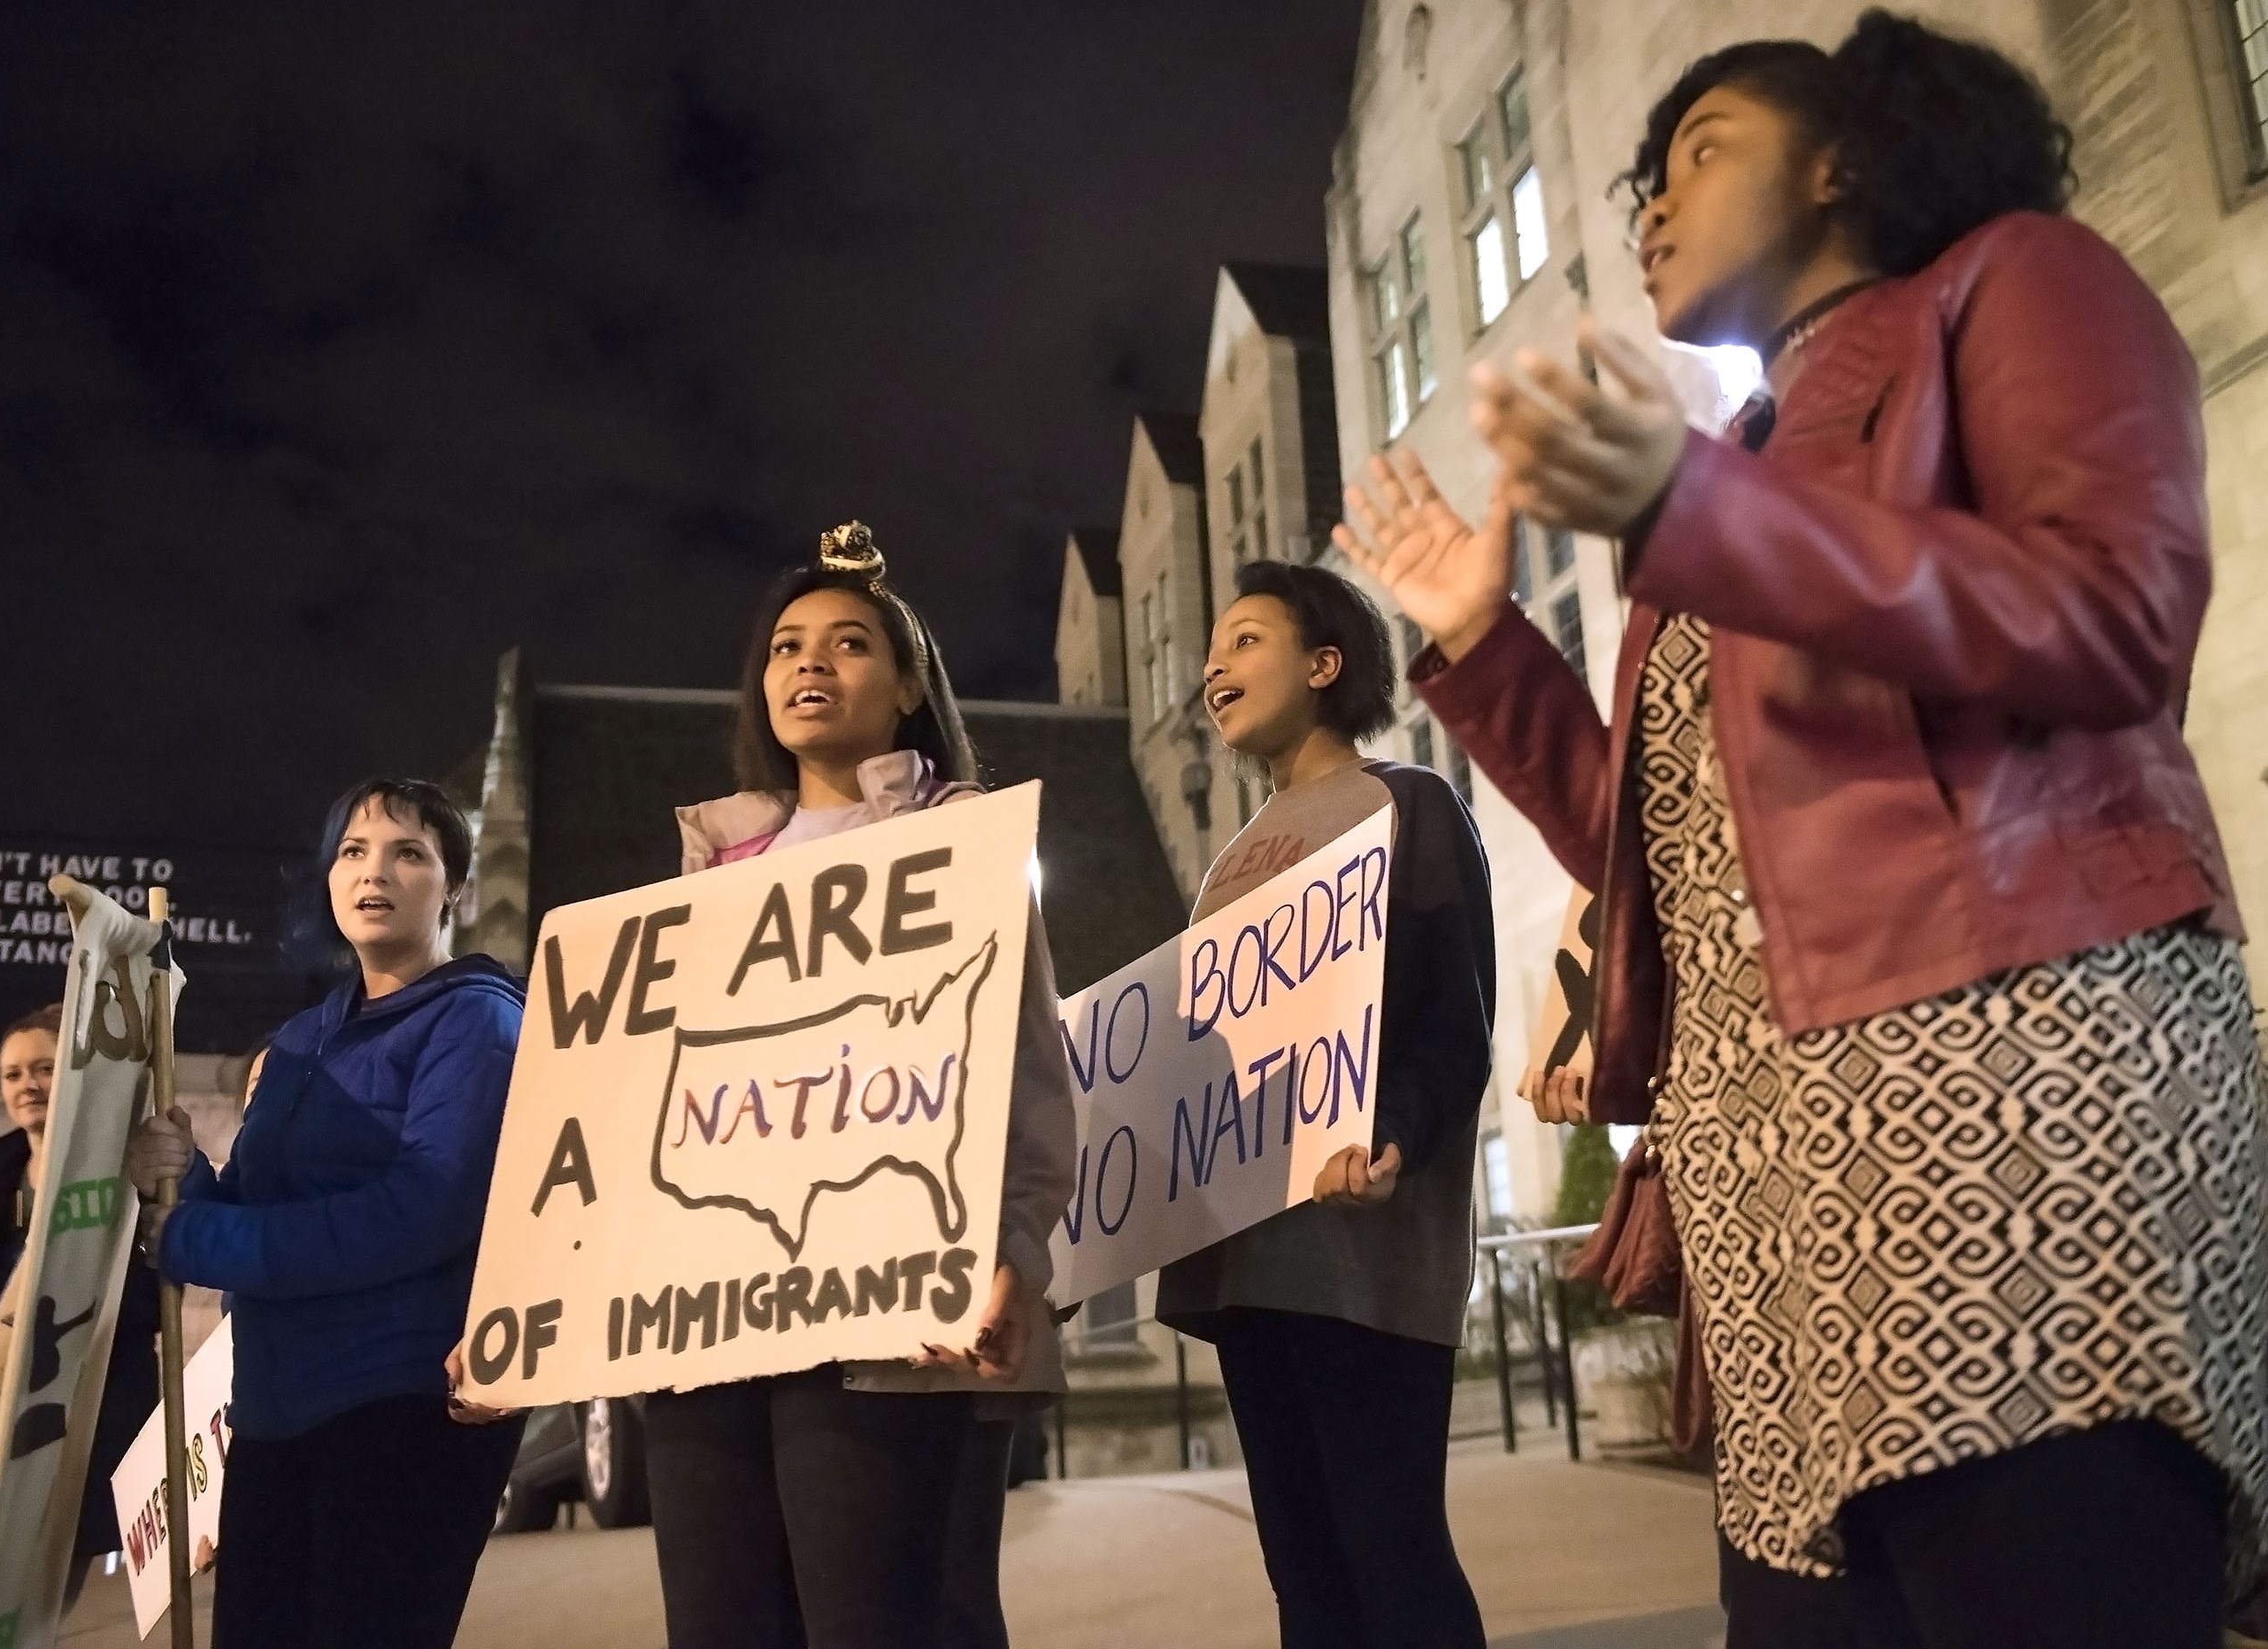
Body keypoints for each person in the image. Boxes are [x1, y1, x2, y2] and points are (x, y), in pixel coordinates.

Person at [1334, 11, 2268, 1646]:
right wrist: (1482, 640)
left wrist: (1694, 510)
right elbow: (1661, 839)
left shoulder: (2014, 279)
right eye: (1644, 178)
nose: (1651, 203)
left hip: (2009, 1101)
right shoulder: (1732, 465)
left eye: (1701, 150)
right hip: (1778, 1182)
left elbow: (2116, 609)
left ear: (1843, 157)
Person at [652, 522, 1074, 1649]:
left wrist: (1012, 1250)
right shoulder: (710, 873)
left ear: (907, 688)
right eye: (786, 646)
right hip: (704, 1325)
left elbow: (1029, 1069)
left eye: (847, 643)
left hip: (889, 1325)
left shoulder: (962, 841)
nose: (809, 663)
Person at [1153, 560, 1495, 1649]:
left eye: (1245, 639)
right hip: (1247, 1266)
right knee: (1303, 1580)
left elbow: (1453, 1023)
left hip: (1365, 1262)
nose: (1214, 665)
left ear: (1323, 664)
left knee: (1394, 1563)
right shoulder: (1227, 866)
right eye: (1213, 648)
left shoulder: (1406, 805)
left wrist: (1390, 1133)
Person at [122, 779, 525, 1649]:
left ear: (454, 888)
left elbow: (418, 1212)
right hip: (272, 1413)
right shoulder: (304, 1036)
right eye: (353, 851)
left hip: (400, 1412)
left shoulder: (479, 1022)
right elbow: (254, 1199)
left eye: (408, 853)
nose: (374, 872)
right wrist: (183, 1177)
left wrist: (193, 1236)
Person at [0, 1003, 161, 1603]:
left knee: (63, 1565)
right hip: (2, 1394)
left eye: (45, 1068)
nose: (27, 1084)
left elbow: (150, 1292)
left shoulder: (123, 1165)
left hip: (96, 1390)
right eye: (13, 1074)